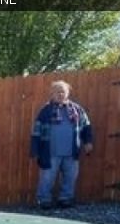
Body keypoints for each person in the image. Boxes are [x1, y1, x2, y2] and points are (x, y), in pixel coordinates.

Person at [30, 80, 93, 209]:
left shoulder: (77, 109)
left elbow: (86, 126)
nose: (60, 94)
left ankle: (65, 199)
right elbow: (36, 130)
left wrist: (88, 141)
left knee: (70, 178)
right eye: (57, 92)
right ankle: (44, 200)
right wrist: (35, 150)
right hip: (50, 152)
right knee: (47, 179)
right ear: (52, 94)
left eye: (63, 91)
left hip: (71, 152)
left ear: (68, 93)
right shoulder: (45, 111)